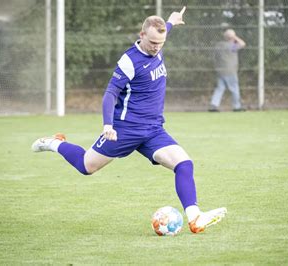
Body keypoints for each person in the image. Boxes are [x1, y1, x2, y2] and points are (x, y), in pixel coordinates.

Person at [31, 7, 227, 234]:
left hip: (153, 129)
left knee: (184, 164)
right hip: (125, 129)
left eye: (161, 43)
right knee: (87, 166)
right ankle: (54, 143)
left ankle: (195, 217)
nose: (157, 47)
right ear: (141, 35)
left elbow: (163, 30)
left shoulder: (158, 42)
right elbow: (110, 94)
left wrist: (171, 21)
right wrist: (108, 125)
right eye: (153, 42)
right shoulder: (129, 61)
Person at [208, 29, 246, 112]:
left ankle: (213, 106)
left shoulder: (219, 45)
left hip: (220, 71)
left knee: (220, 88)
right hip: (230, 71)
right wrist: (235, 37)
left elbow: (213, 57)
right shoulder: (232, 46)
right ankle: (237, 107)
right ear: (231, 37)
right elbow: (243, 44)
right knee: (234, 88)